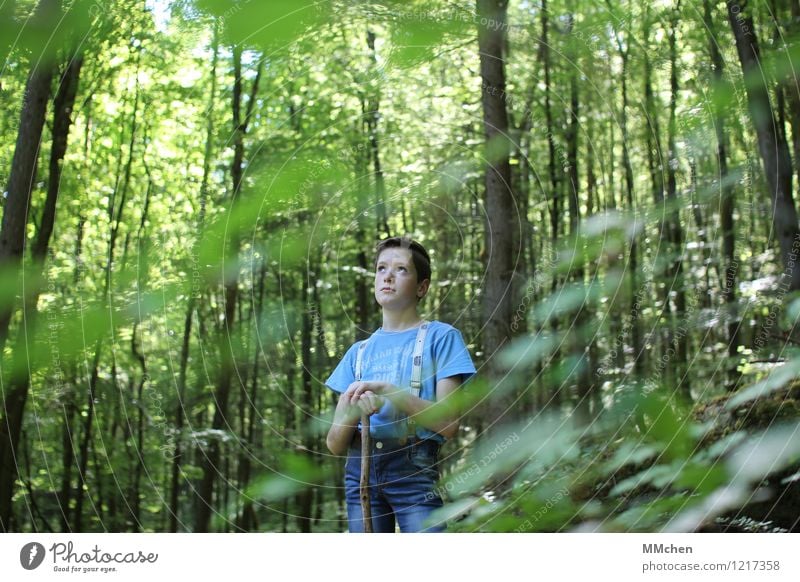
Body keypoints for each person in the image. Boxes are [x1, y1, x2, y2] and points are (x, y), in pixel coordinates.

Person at [325, 236, 477, 533]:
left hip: (414, 470)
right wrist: (352, 410)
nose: (388, 276)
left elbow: (448, 424)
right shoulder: (358, 352)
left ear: (422, 287)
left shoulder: (441, 338)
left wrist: (390, 391)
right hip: (360, 473)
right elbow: (334, 444)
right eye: (381, 269)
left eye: (401, 270)